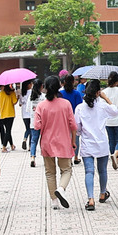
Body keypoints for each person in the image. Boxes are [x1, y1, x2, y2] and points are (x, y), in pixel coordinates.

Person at [34, 75, 77, 209]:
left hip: (47, 143)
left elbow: (36, 126)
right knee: (66, 170)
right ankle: (61, 189)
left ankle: (54, 201)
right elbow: (73, 125)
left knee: (50, 172)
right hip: (64, 142)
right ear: (59, 86)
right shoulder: (66, 104)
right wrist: (73, 141)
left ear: (45, 88)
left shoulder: (41, 106)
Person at [75, 79, 115, 210]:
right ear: (98, 92)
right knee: (102, 170)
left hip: (87, 144)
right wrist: (106, 98)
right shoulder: (103, 106)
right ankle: (103, 194)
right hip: (102, 143)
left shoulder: (80, 108)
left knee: (89, 171)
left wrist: (81, 133)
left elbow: (77, 128)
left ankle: (90, 199)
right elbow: (115, 112)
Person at [59, 74, 84, 164]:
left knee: (65, 137)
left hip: (63, 117)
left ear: (64, 82)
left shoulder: (60, 93)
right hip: (74, 117)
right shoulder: (76, 93)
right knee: (75, 137)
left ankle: (68, 156)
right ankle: (76, 157)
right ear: (73, 82)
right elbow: (79, 107)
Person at [0, 84, 18, 152]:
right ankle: (4, 147)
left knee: (8, 130)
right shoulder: (12, 92)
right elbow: (14, 102)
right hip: (10, 114)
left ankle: (12, 145)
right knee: (8, 131)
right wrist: (18, 97)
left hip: (3, 114)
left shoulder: (0, 93)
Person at [28, 79, 45, 167]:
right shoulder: (43, 97)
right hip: (43, 122)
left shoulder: (30, 97)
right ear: (41, 86)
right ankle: (45, 157)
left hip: (33, 122)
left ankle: (32, 157)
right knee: (43, 140)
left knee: (33, 141)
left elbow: (28, 110)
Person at [20, 79, 33, 151]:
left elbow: (20, 103)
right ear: (28, 85)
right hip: (30, 113)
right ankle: (30, 146)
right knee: (31, 129)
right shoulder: (32, 92)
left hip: (24, 114)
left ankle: (25, 139)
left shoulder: (22, 93)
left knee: (27, 128)